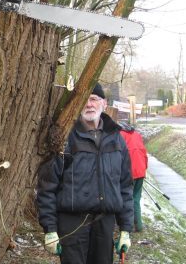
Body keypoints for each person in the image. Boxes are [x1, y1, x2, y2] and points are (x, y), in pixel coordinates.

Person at [36, 83, 134, 264]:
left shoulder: (117, 140)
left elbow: (125, 187)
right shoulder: (65, 139)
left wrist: (126, 229)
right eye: (84, 100)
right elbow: (47, 187)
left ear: (104, 103)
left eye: (94, 99)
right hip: (72, 225)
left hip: (104, 224)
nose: (89, 104)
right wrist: (50, 228)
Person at [119, 122, 148, 232]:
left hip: (128, 172)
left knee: (127, 199)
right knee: (136, 199)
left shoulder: (120, 135)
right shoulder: (137, 134)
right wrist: (144, 168)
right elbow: (144, 153)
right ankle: (138, 225)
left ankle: (127, 226)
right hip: (140, 170)